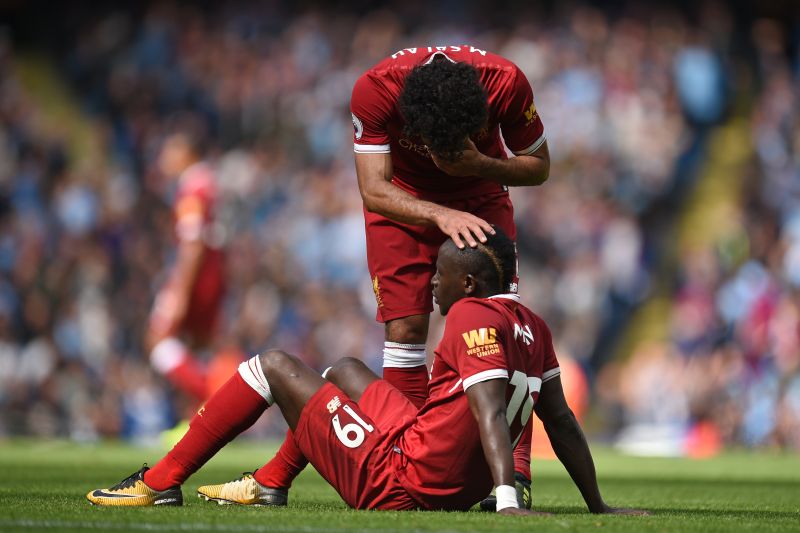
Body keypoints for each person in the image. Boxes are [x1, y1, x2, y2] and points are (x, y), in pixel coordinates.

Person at [87, 230, 644, 517]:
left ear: (469, 284)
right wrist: (597, 505)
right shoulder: (533, 323)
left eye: (441, 274)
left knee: (272, 365)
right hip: (430, 457)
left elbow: (490, 410)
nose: (432, 285)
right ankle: (270, 484)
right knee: (345, 370)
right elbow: (563, 422)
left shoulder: (470, 315)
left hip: (404, 481)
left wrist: (506, 498)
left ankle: (157, 484)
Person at [209, 44, 551, 506]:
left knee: (501, 329)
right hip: (402, 199)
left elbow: (540, 166)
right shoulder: (375, 90)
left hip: (481, 192)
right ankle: (411, 459)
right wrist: (437, 213)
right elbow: (373, 189)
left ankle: (517, 479)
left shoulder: (506, 83)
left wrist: (479, 165)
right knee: (406, 329)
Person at [147, 115, 229, 403]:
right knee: (198, 347)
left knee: (158, 339)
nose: (164, 158)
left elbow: (193, 244)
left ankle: (213, 397)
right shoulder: (209, 182)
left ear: (187, 153)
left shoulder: (192, 189)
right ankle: (197, 423)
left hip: (198, 275)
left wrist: (179, 290)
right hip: (214, 274)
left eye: (170, 151)